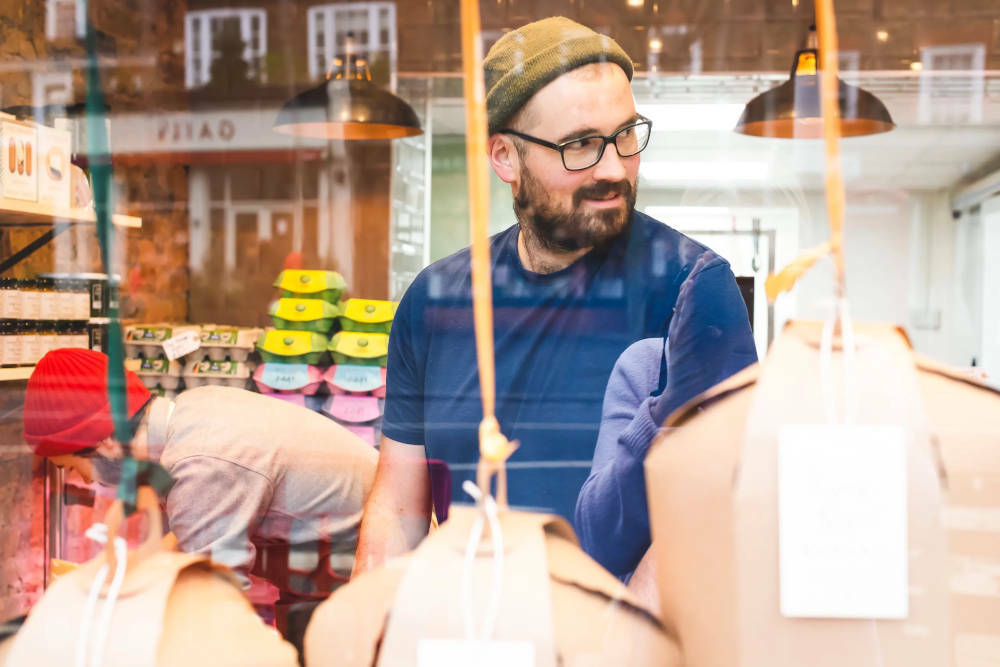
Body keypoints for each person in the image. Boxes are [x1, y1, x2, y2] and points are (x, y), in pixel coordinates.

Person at [353, 16, 756, 576]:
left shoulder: (693, 291)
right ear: (505, 159)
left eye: (625, 135)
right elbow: (399, 509)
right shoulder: (434, 301)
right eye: (580, 145)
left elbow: (721, 517)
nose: (614, 168)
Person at [23, 348, 377, 593]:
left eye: (74, 465)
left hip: (372, 568)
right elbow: (194, 532)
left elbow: (217, 597)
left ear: (107, 442)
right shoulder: (193, 409)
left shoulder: (198, 465)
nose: (86, 480)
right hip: (332, 560)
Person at [575, 254, 759, 582]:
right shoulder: (646, 367)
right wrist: (672, 401)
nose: (707, 334)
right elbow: (597, 540)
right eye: (690, 314)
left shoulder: (769, 384)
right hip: (648, 604)